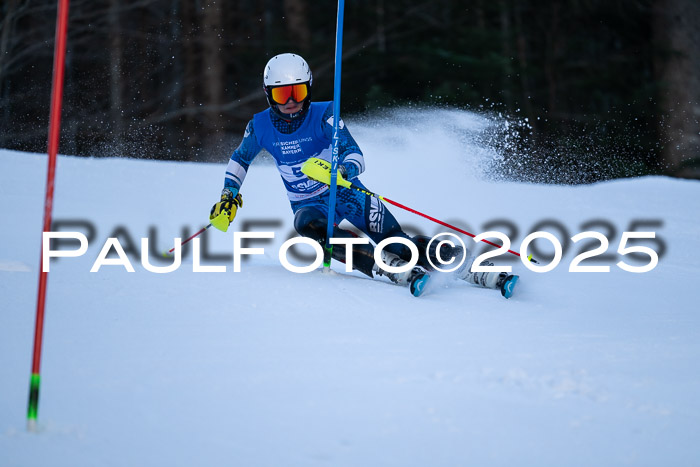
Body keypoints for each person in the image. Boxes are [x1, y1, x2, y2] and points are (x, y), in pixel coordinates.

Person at [210, 53, 518, 298]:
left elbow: (354, 152)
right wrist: (228, 194)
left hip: (346, 192)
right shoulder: (260, 127)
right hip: (309, 204)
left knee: (398, 245)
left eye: (298, 90)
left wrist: (343, 171)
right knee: (309, 226)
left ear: (309, 88)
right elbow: (240, 159)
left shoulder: (324, 114)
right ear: (268, 94)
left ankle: (465, 264)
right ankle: (388, 268)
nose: (291, 101)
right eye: (282, 94)